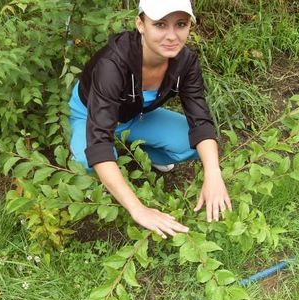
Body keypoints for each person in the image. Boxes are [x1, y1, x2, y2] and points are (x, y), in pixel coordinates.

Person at [68, 0, 232, 239]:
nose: (172, 36)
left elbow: (201, 122)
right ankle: (112, 158)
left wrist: (214, 175)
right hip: (90, 113)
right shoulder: (112, 64)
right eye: (160, 25)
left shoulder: (186, 62)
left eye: (181, 24)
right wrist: (139, 209)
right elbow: (98, 143)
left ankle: (138, 151)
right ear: (140, 24)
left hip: (135, 115)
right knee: (87, 159)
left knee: (196, 144)